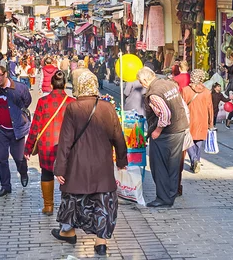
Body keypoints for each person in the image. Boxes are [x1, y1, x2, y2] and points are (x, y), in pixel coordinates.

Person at [51, 72, 127, 256]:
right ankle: (100, 242)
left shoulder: (73, 108)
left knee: (74, 200)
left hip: (78, 166)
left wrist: (60, 167)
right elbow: (119, 137)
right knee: (103, 202)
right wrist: (122, 160)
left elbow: (66, 141)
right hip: (102, 166)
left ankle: (68, 231)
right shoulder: (108, 107)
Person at [137, 67, 190, 207]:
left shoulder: (154, 93)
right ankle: (171, 195)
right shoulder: (169, 83)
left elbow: (165, 115)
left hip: (167, 132)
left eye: (140, 81)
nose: (141, 85)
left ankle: (163, 198)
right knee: (173, 164)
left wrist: (157, 131)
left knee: (158, 165)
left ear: (144, 80)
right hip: (179, 128)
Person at [25, 70, 75, 215]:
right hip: (66, 145)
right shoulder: (72, 103)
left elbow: (35, 126)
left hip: (46, 144)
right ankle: (66, 206)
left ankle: (48, 206)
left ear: (51, 85)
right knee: (66, 175)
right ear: (65, 85)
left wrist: (28, 148)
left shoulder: (42, 101)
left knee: (46, 173)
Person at [0, 66, 32, 198]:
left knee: (19, 158)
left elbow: (27, 101)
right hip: (0, 129)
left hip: (17, 129)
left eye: (0, 75)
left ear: (6, 74)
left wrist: (19, 114)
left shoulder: (19, 88)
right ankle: (5, 186)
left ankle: (23, 172)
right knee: (2, 159)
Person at [181, 69, 214, 173]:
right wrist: (211, 123)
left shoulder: (185, 90)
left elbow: (181, 106)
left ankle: (194, 160)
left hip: (189, 120)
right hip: (202, 120)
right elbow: (210, 108)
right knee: (198, 142)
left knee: (188, 140)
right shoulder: (207, 92)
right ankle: (196, 161)